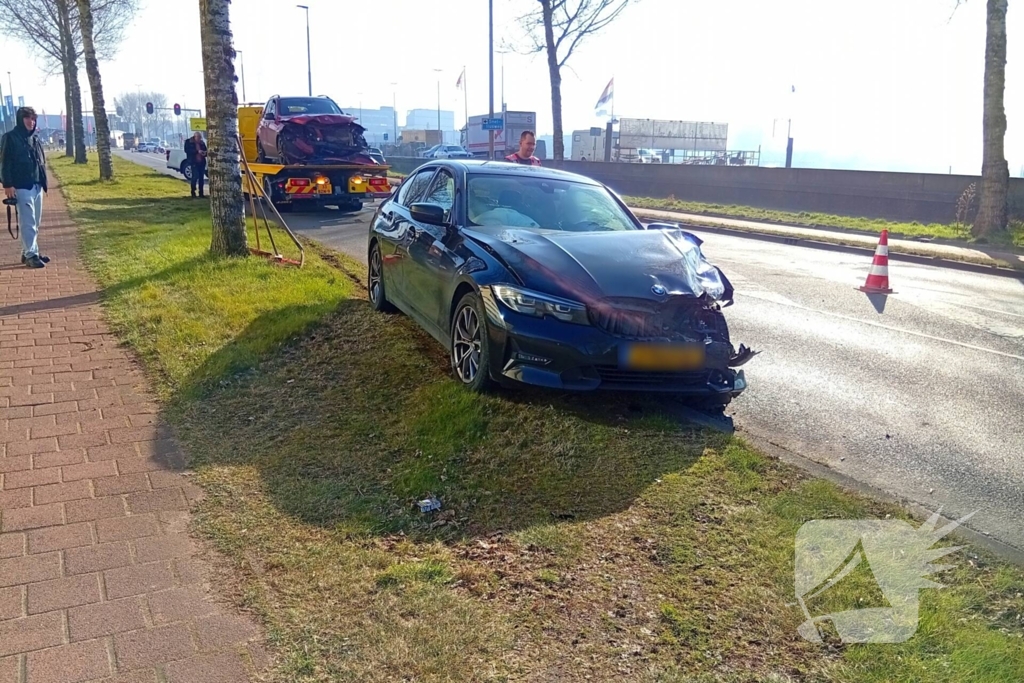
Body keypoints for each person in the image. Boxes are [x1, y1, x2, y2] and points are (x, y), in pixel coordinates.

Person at [0, 107, 49, 269]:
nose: (31, 122)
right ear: (20, 120)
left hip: (36, 185)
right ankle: (31, 255)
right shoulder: (10, 138)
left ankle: (29, 250)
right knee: (28, 222)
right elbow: (4, 162)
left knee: (36, 222)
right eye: (27, 118)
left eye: (33, 119)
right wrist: (7, 184)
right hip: (21, 186)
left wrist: (42, 181)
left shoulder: (34, 138)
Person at [183, 131, 207, 198]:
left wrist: (205, 153)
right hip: (194, 162)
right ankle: (193, 192)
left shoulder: (202, 143)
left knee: (201, 178)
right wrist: (197, 151)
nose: (199, 139)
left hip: (201, 162)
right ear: (195, 136)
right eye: (198, 137)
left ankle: (201, 193)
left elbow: (205, 150)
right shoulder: (188, 142)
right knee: (195, 177)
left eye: (200, 138)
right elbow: (187, 150)